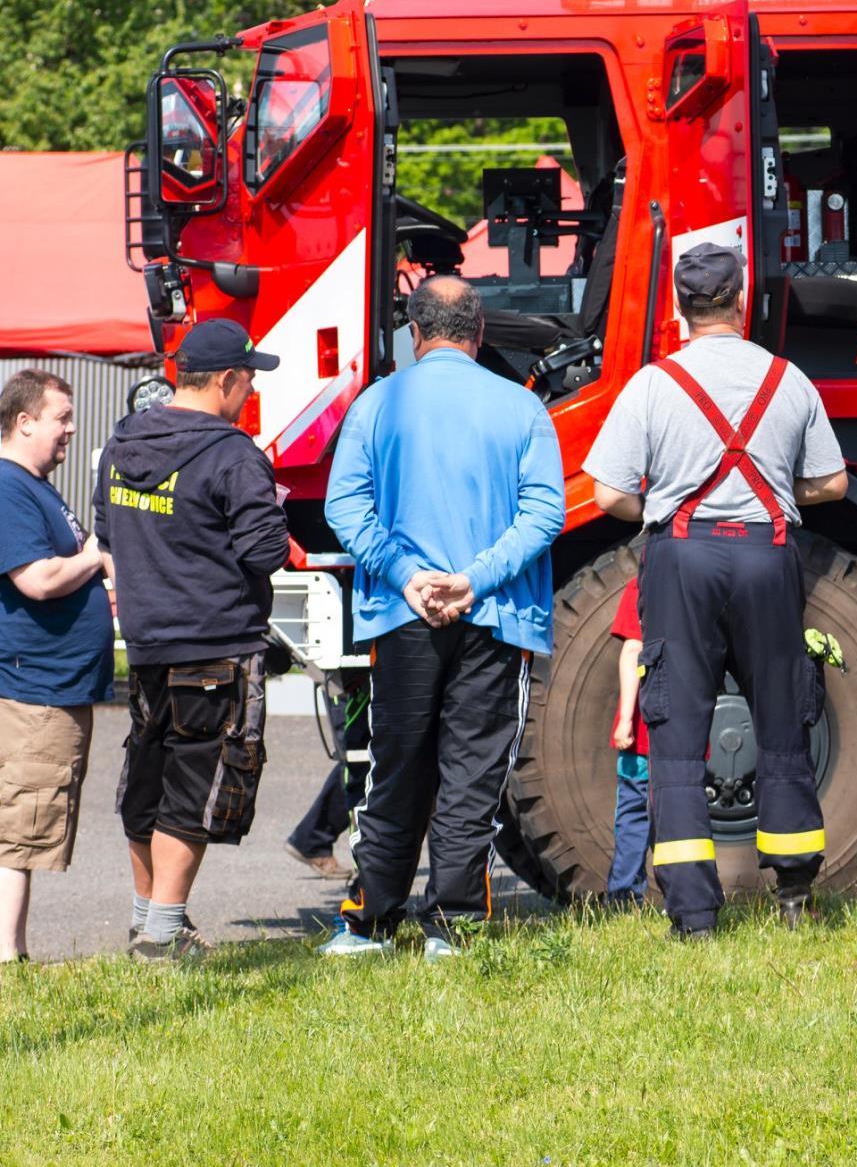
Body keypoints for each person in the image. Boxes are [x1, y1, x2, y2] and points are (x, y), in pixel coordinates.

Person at [584, 244, 848, 938]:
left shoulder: (651, 384)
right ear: (740, 300)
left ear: (677, 309)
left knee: (674, 739)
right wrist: (770, 495)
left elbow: (608, 491)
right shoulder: (787, 380)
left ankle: (694, 917)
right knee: (782, 725)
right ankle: (793, 896)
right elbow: (832, 482)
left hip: (681, 561)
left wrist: (665, 511)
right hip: (767, 556)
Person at [320, 276, 565, 960]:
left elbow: (346, 509)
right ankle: (452, 927)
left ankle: (369, 923)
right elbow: (545, 512)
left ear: (415, 334)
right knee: (472, 772)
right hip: (495, 615)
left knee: (396, 767)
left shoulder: (376, 404)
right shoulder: (522, 408)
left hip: (400, 618)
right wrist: (472, 579)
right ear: (479, 333)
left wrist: (405, 576)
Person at [94, 318, 290, 960]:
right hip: (217, 644)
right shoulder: (235, 454)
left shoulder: (122, 442)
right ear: (229, 379)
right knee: (197, 784)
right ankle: (162, 933)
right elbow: (264, 552)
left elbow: (106, 529)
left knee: (146, 778)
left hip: (149, 643)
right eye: (249, 379)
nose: (248, 392)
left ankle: (146, 920)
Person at [0, 370, 113, 963]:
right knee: (22, 827)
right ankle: (8, 958)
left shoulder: (34, 484)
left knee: (29, 821)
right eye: (61, 418)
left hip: (53, 687)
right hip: (33, 691)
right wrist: (95, 554)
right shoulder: (8, 487)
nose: (70, 429)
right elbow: (38, 579)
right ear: (24, 422)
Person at [284, 679, 370, 879]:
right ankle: (314, 839)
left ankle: (312, 839)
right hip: (347, 677)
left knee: (362, 761)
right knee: (358, 761)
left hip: (359, 675)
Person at [605, 578, 649, 906]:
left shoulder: (642, 586)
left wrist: (624, 719)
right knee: (678, 814)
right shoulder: (699, 582)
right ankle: (684, 892)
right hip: (686, 734)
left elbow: (633, 648)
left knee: (633, 812)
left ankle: (624, 896)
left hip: (643, 735)